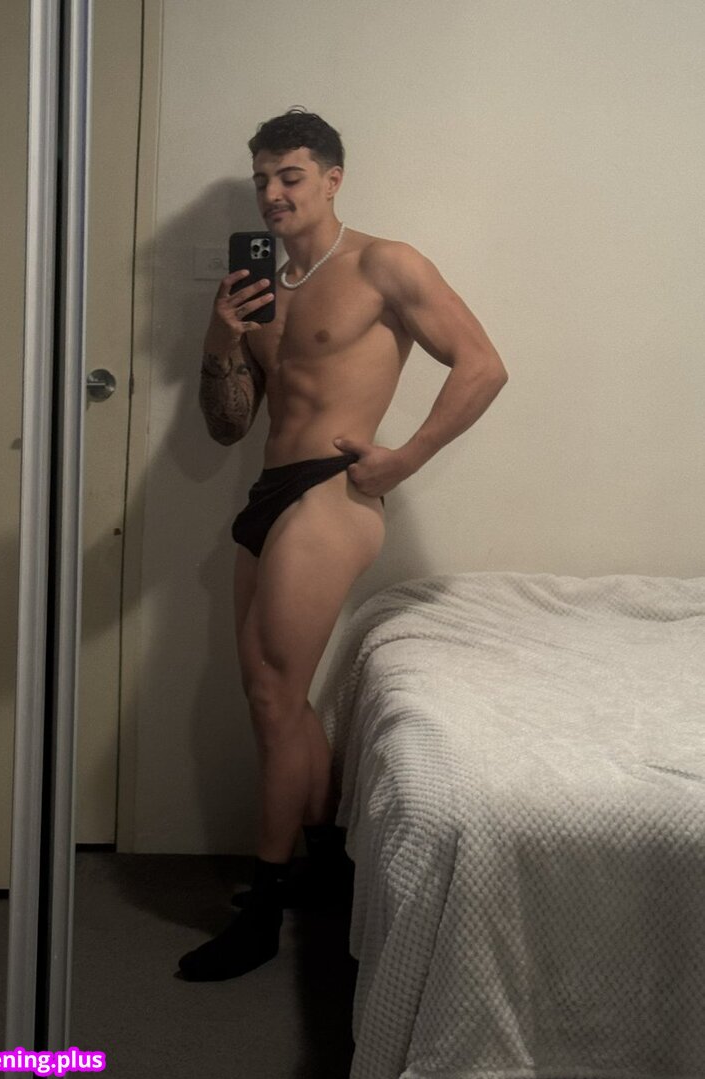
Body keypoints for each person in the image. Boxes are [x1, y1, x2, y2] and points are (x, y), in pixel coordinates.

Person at [178, 108, 508, 981]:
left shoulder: (383, 264)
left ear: (332, 179)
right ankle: (325, 863)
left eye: (289, 176)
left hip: (332, 491)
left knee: (271, 693)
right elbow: (227, 425)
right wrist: (220, 335)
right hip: (266, 493)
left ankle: (263, 905)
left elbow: (482, 365)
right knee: (272, 697)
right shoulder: (256, 287)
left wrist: (406, 458)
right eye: (261, 179)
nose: (273, 193)